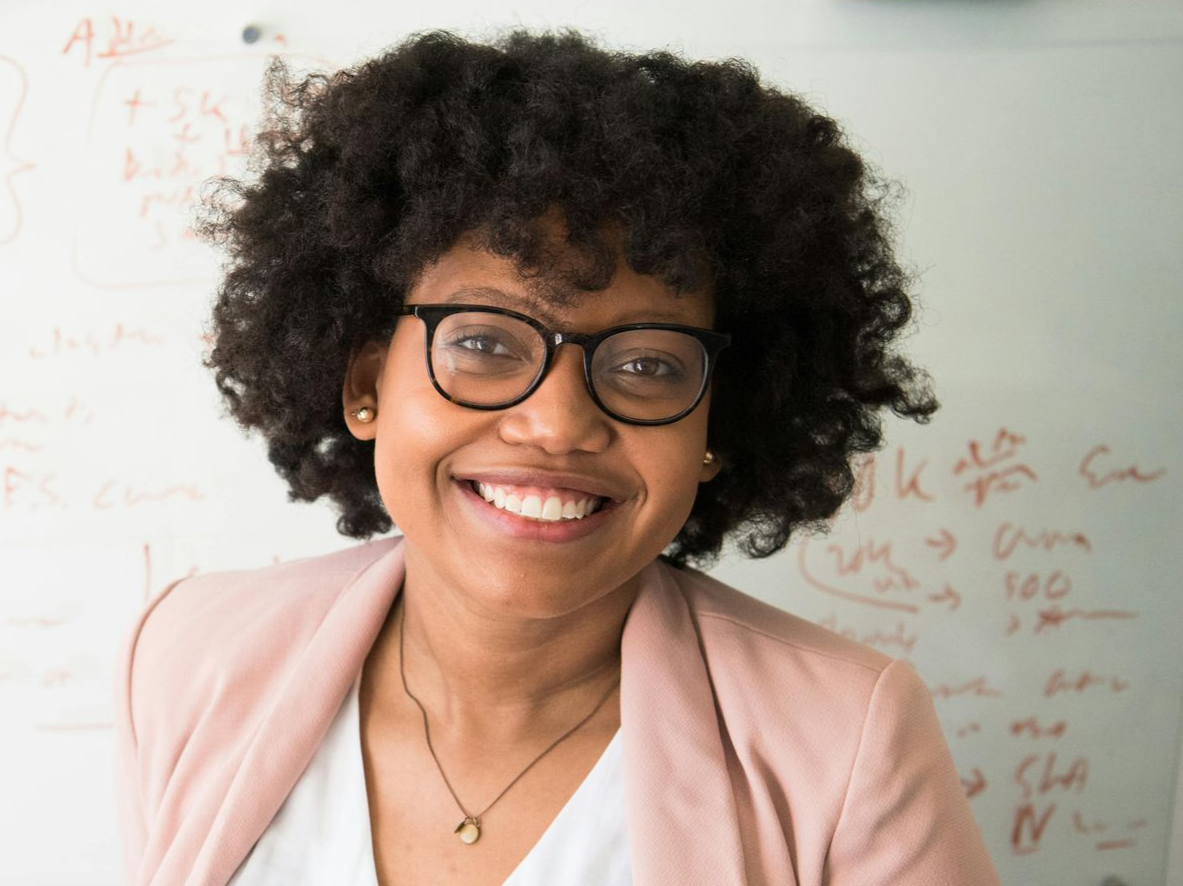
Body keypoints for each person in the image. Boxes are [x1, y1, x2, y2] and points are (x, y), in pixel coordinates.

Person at [112, 29, 1001, 886]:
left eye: (648, 365)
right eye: (486, 343)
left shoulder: (846, 739)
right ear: (364, 382)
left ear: (717, 429)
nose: (557, 424)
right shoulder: (188, 653)